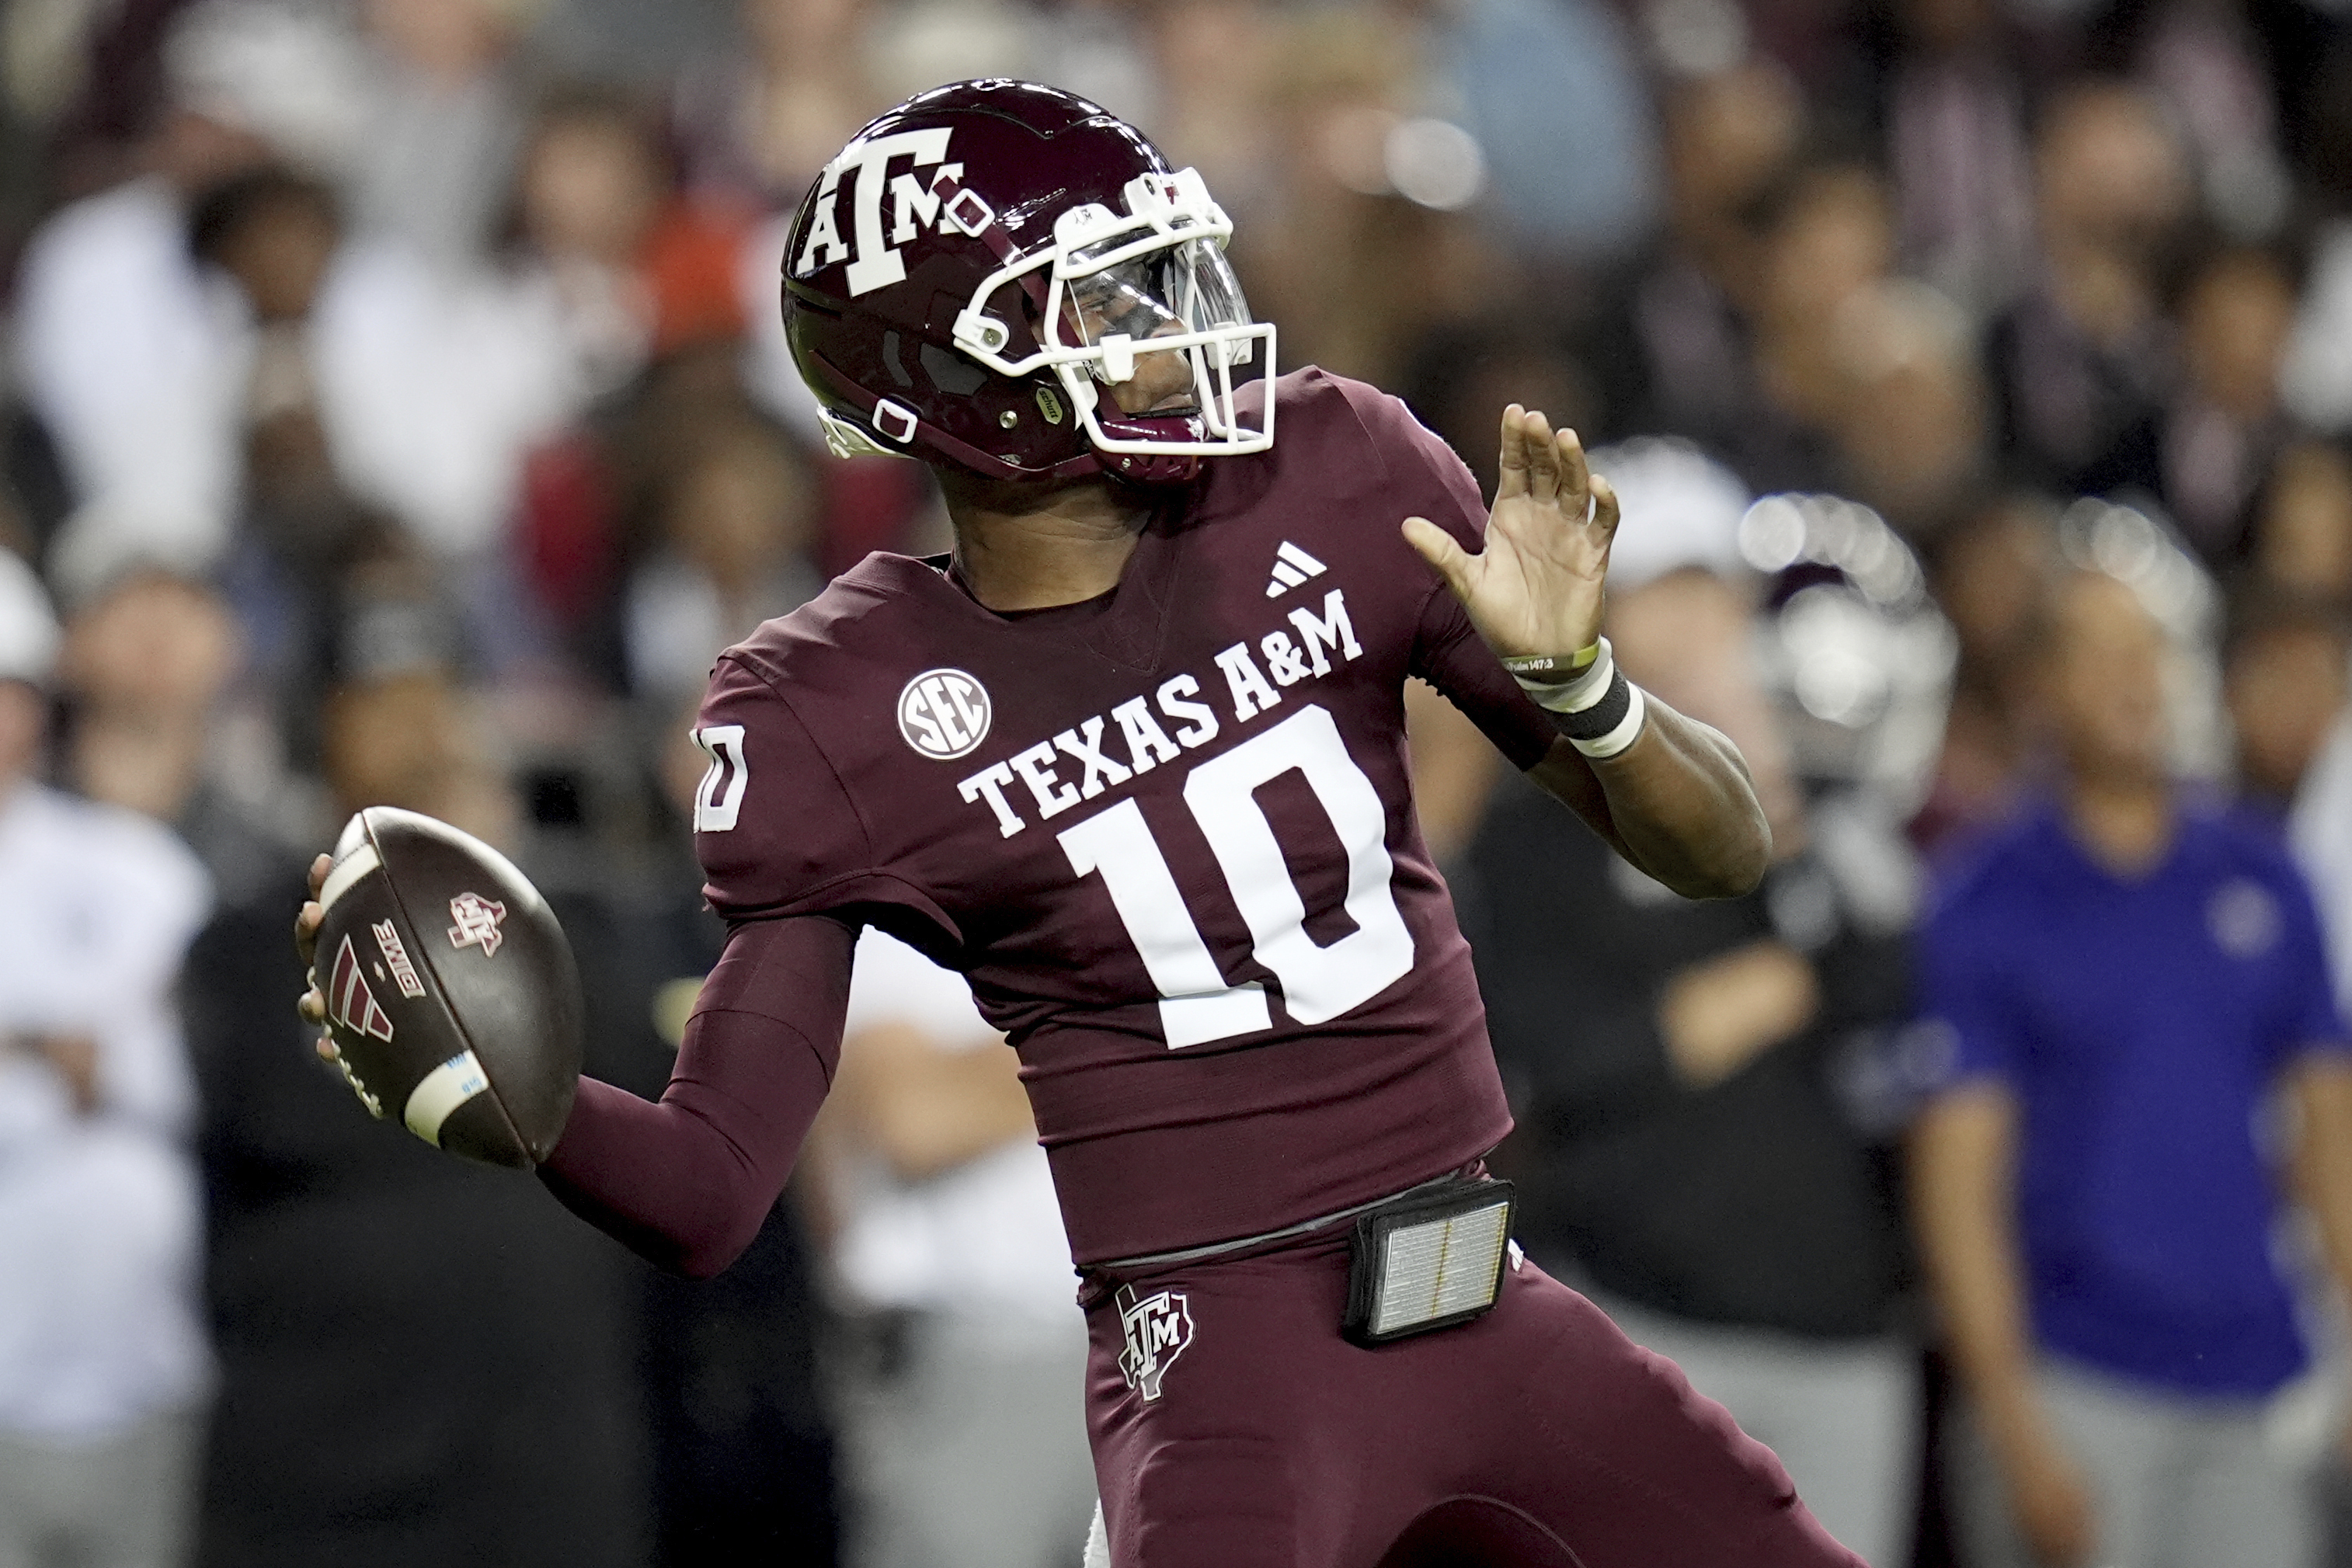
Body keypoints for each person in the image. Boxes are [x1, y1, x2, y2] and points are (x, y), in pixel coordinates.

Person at [299, 82, 1853, 1567]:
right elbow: (711, 1188)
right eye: (1103, 300)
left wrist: (1579, 684)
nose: (1173, 328)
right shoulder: (835, 706)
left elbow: (1720, 851)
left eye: (1161, 274)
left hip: (1486, 1293)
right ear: (949, 376)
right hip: (1229, 1373)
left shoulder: (1337, 469)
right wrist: (519, 1101)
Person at [1466, 446, 1916, 1567]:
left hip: (1844, 1339)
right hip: (1640, 1320)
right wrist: (1726, 1006)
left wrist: (1789, 814)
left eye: (1708, 594)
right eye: (1654, 595)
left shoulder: (1828, 793)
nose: (1688, 632)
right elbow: (1545, 1069)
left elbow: (1896, 1000)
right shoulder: (1536, 822)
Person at [1909, 567, 2352, 1568]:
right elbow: (1959, 1187)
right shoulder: (1986, 897)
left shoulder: (2266, 876)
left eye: (2150, 650)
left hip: (2252, 1388)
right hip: (2076, 1379)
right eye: (2099, 653)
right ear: (2039, 688)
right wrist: (2014, 1426)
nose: (2134, 678)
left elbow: (2331, 1134)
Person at [0, 548, 213, 1568]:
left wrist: (49, 1051)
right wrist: (71, 1050)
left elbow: (204, 1069)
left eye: (12, 691)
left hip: (146, 1364)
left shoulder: (135, 866)